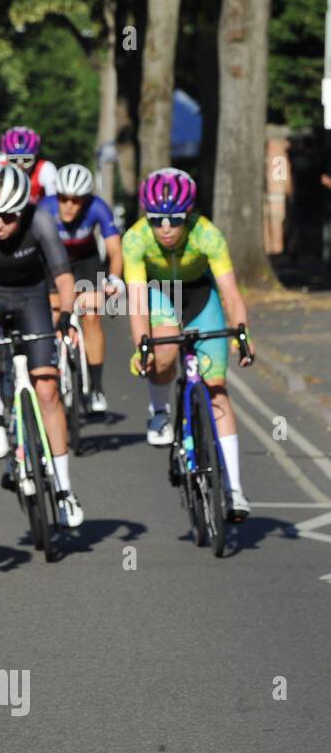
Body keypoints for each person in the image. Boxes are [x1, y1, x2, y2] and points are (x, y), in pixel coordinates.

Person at [0, 163, 85, 527]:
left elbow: (63, 275)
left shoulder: (39, 220)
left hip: (32, 298)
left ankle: (63, 488)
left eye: (7, 217)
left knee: (47, 391)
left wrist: (67, 314)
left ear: (22, 210)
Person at [123, 168, 254, 520]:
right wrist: (142, 347)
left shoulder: (208, 234)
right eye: (157, 220)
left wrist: (242, 334)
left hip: (199, 296)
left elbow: (230, 294)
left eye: (175, 219)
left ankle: (234, 490)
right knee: (162, 350)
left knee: (217, 390)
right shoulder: (135, 240)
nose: (165, 228)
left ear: (189, 215)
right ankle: (160, 411)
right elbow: (136, 303)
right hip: (160, 295)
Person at [37, 163, 123, 413]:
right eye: (63, 198)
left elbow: (115, 250)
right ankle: (55, 368)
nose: (69, 206)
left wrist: (114, 278)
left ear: (86, 200)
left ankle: (96, 386)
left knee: (92, 315)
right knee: (53, 314)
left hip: (86, 260)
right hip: (53, 262)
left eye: (76, 200)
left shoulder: (98, 208)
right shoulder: (44, 208)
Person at [0, 127, 57, 204]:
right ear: (6, 157)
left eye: (26, 160)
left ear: (35, 156)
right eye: (13, 160)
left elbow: (53, 201)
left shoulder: (45, 168)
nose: (20, 165)